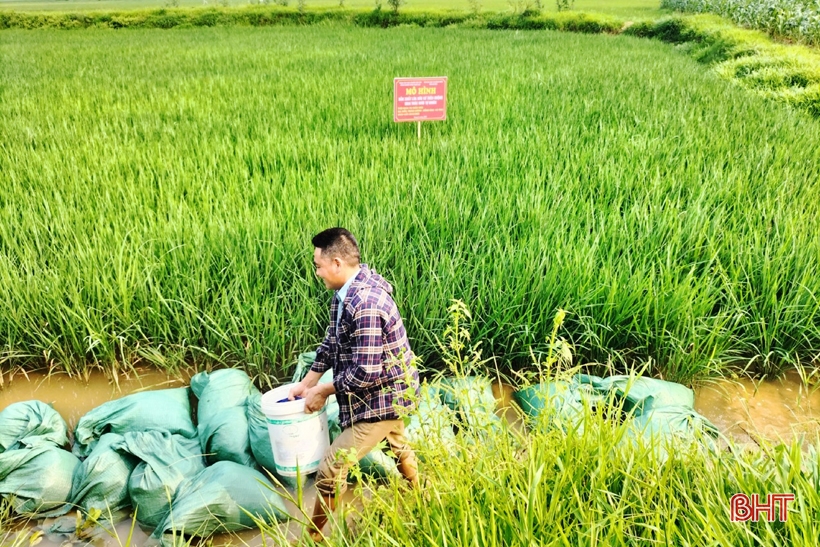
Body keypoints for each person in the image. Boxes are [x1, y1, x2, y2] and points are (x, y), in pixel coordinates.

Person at [288, 227, 420, 542]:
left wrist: (323, 391)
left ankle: (314, 537)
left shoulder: (366, 303)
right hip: (378, 389)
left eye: (318, 265)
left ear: (336, 263)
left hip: (386, 394)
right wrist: (308, 381)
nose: (317, 272)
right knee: (396, 442)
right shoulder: (344, 294)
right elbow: (331, 343)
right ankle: (420, 494)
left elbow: (366, 372)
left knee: (331, 468)